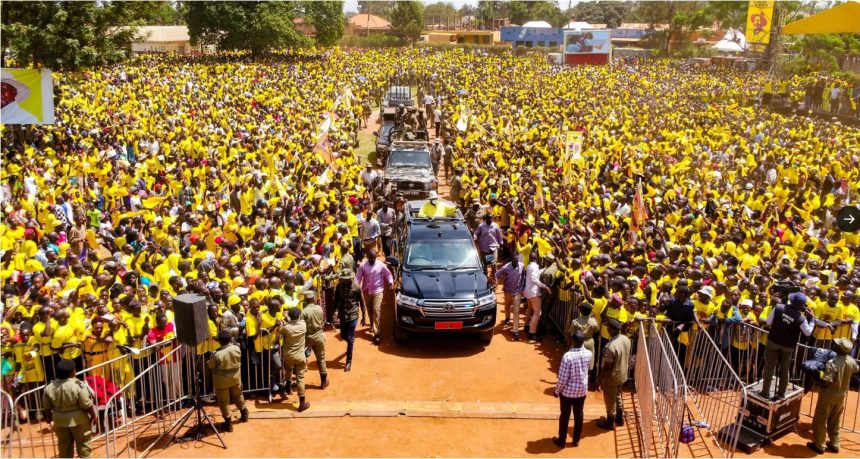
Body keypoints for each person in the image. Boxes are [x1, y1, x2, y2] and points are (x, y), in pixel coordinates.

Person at [759, 292, 816, 401]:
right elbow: (808, 332)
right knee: (785, 370)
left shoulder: (779, 307)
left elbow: (768, 322)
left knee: (769, 367)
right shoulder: (801, 318)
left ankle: (765, 392)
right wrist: (812, 319)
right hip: (788, 346)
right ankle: (781, 394)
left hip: (773, 342)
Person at [808, 337, 859, 454]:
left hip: (828, 395)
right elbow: (856, 369)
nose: (834, 346)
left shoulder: (833, 362)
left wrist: (817, 378)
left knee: (820, 419)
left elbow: (827, 381)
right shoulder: (851, 361)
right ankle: (835, 443)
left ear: (840, 349)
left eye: (837, 345)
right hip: (841, 395)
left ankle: (819, 445)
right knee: (835, 420)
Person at [43, 359, 97, 459]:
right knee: (84, 447)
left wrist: (48, 418)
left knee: (64, 449)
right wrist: (93, 415)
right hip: (79, 421)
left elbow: (47, 406)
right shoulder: (78, 385)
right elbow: (86, 403)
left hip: (60, 421)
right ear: (71, 372)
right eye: (74, 370)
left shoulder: (49, 387)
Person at [553, 331, 592, 449]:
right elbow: (587, 369)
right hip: (581, 390)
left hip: (568, 392)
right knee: (579, 415)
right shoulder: (589, 354)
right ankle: (576, 440)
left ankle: (562, 440)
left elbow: (563, 378)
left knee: (565, 415)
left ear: (573, 341)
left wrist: (556, 391)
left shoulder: (567, 356)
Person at [207, 329, 248, 433]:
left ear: (219, 341)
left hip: (222, 381)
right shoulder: (236, 348)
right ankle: (244, 413)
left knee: (224, 402)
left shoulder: (217, 354)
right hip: (235, 378)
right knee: (238, 395)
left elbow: (210, 365)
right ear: (230, 339)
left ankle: (228, 424)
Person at [597, 319, 631, 430]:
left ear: (610, 330)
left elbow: (607, 366)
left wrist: (600, 379)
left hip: (612, 377)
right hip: (622, 374)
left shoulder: (610, 347)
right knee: (617, 395)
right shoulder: (626, 339)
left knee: (610, 399)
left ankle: (610, 422)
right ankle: (620, 418)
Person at [355, 249, 394, 345]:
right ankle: (372, 323)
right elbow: (358, 278)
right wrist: (356, 287)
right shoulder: (363, 265)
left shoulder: (380, 264)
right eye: (370, 258)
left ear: (376, 257)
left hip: (378, 291)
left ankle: (377, 334)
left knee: (376, 310)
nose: (372, 259)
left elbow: (388, 274)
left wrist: (390, 282)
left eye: (374, 258)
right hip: (367, 291)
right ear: (367, 257)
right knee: (369, 309)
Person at [281, 307, 310, 412]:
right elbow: (299, 320)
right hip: (300, 356)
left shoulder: (286, 328)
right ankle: (302, 403)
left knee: (288, 370)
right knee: (300, 378)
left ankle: (288, 387)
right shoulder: (303, 325)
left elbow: (281, 332)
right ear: (298, 316)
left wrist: (285, 318)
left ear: (290, 316)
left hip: (288, 355)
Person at [299, 290, 328, 389]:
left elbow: (301, 326)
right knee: (321, 359)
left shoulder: (303, 312)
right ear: (313, 299)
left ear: (306, 300)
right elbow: (322, 320)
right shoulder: (319, 308)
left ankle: (299, 380)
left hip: (307, 337)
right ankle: (324, 381)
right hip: (319, 336)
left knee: (300, 358)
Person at [335, 268, 361, 372]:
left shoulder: (356, 287)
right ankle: (350, 343)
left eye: (347, 279)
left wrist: (363, 315)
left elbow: (361, 301)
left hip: (353, 315)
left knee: (350, 338)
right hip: (342, 315)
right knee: (343, 336)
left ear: (351, 278)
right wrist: (333, 311)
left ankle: (348, 361)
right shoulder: (339, 286)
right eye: (343, 279)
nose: (345, 281)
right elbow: (335, 300)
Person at [496, 257, 525, 340]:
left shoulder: (522, 266)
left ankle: (515, 331)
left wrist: (523, 286)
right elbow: (497, 275)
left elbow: (524, 275)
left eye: (517, 261)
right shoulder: (506, 267)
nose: (516, 263)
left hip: (517, 291)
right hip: (508, 290)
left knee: (516, 311)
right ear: (511, 261)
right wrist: (496, 281)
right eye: (514, 261)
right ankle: (507, 317)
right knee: (507, 305)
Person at [523, 256, 550, 341]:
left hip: (528, 292)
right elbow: (534, 278)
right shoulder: (534, 266)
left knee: (529, 310)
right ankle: (532, 333)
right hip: (534, 293)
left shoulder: (530, 265)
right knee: (537, 313)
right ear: (537, 259)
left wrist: (545, 268)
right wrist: (544, 286)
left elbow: (536, 273)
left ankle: (526, 326)